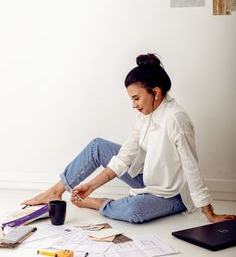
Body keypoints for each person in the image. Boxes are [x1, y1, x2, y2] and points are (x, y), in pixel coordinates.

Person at [22, 54, 236, 224]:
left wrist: (208, 212)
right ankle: (55, 191)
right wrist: (91, 185)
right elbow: (125, 156)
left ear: (156, 92)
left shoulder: (176, 119)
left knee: (133, 210)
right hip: (149, 179)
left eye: (136, 98)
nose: (133, 104)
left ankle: (96, 204)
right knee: (98, 146)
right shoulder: (145, 114)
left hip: (172, 194)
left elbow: (191, 167)